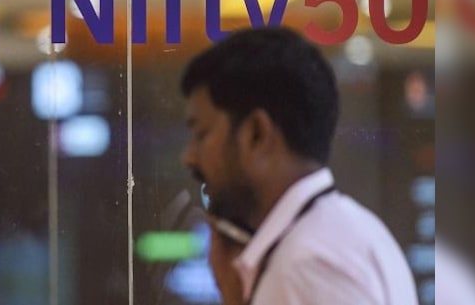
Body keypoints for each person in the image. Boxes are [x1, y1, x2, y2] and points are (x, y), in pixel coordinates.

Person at [179, 27, 418, 305]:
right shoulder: (344, 232)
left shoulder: (308, 265)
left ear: (256, 134)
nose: (190, 157)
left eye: (201, 134)